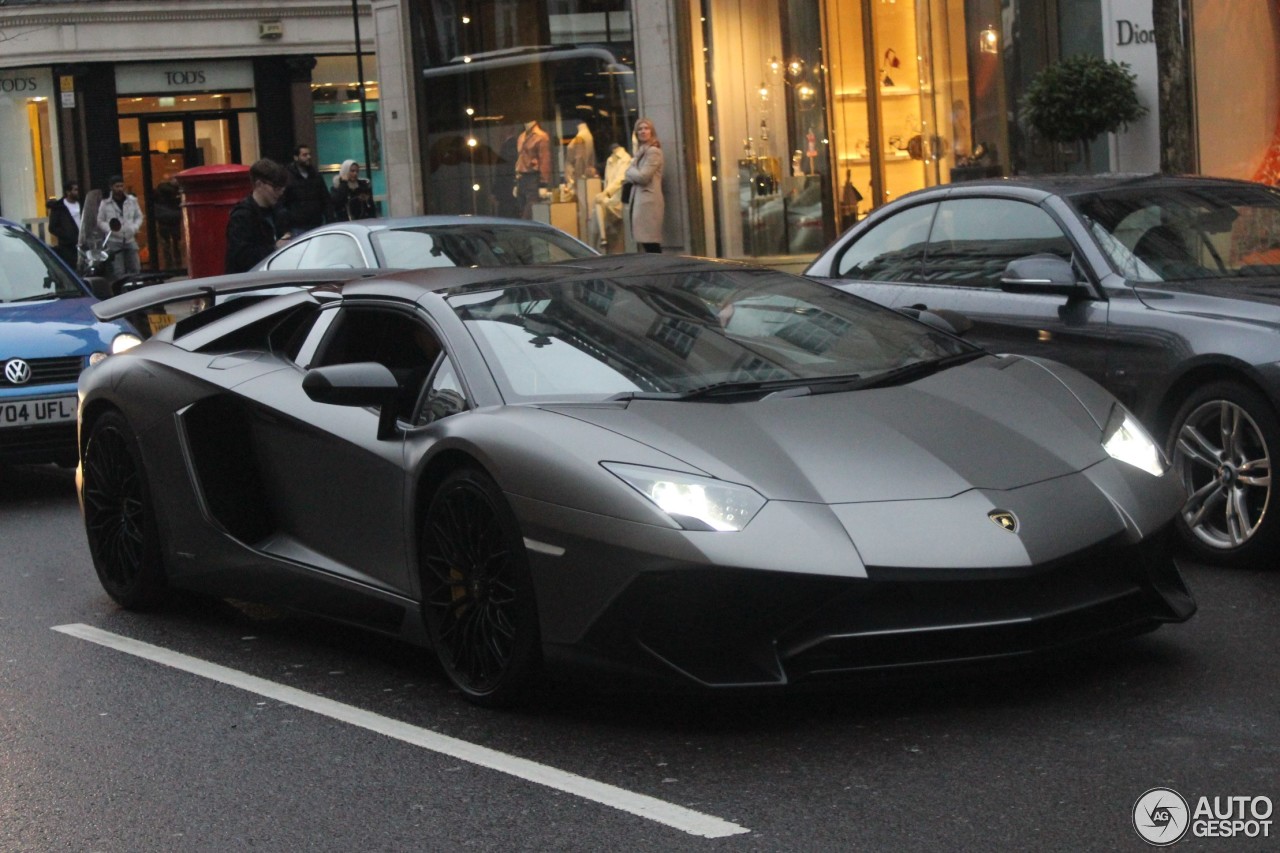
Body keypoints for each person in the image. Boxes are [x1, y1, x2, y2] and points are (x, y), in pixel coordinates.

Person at [224, 158, 292, 274]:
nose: (280, 193)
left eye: (282, 188)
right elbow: (240, 256)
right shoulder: (242, 216)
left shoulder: (278, 212)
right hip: (249, 283)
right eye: (276, 188)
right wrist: (275, 248)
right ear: (259, 184)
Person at [624, 118, 665, 253]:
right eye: (640, 129)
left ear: (651, 131)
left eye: (646, 128)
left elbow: (643, 177)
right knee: (645, 242)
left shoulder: (653, 151)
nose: (643, 131)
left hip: (648, 202)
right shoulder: (641, 151)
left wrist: (629, 171)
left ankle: (659, 270)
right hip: (640, 201)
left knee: (650, 242)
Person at [96, 176, 144, 277]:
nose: (120, 189)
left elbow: (139, 216)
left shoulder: (132, 200)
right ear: (111, 187)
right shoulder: (105, 203)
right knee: (118, 270)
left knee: (135, 267)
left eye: (121, 186)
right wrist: (110, 229)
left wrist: (134, 227)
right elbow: (100, 220)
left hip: (130, 238)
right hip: (114, 240)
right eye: (117, 186)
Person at [589, 142, 631, 253]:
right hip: (609, 199)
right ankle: (600, 240)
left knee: (598, 204)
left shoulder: (626, 159)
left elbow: (620, 180)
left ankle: (594, 246)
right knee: (596, 208)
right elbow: (607, 182)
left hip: (619, 200)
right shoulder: (610, 160)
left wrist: (606, 193)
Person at [283, 144, 333, 233]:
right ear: (296, 157)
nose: (308, 157)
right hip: (297, 225)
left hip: (316, 223)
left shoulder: (316, 175)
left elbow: (325, 198)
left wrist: (329, 219)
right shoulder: (287, 176)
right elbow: (283, 202)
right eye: (304, 155)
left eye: (309, 154)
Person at [514, 119, 551, 218]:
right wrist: (516, 181)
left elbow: (544, 160)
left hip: (533, 177)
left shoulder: (541, 136)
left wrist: (543, 184)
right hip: (521, 178)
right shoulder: (521, 136)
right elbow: (520, 158)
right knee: (521, 208)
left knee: (530, 209)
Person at [46, 180, 82, 268]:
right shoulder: (59, 207)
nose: (77, 192)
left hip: (82, 243)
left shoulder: (82, 204)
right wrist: (66, 235)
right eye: (75, 190)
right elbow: (52, 227)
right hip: (68, 246)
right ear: (68, 192)